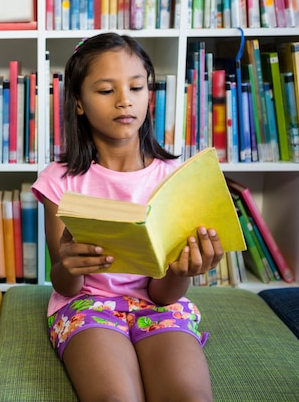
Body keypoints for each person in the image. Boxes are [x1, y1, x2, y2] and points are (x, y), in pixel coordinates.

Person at [32, 33, 223, 402]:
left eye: (137, 87)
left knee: (190, 396)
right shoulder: (60, 180)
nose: (125, 100)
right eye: (106, 91)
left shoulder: (176, 178)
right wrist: (71, 266)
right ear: (78, 103)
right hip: (87, 305)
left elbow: (163, 295)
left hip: (160, 304)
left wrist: (181, 271)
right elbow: (63, 283)